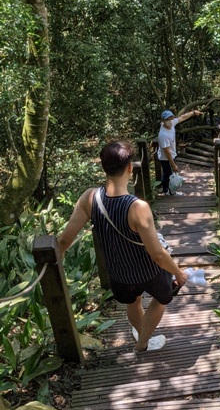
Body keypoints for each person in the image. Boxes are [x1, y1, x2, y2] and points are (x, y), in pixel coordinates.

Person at [58, 140, 188, 352]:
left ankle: (141, 333)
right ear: (130, 167)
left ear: (104, 168)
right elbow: (157, 254)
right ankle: (142, 343)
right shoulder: (138, 207)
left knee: (133, 302)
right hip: (149, 271)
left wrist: (59, 256)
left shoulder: (90, 198)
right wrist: (178, 272)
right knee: (162, 298)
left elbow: (64, 240)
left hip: (118, 272)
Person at [157, 108, 202, 195]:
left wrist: (193, 112)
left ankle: (165, 190)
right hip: (166, 158)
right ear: (163, 120)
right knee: (170, 175)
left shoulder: (171, 123)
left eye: (171, 118)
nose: (170, 121)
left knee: (167, 174)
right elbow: (166, 151)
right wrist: (173, 164)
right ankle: (170, 192)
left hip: (170, 155)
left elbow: (182, 117)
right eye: (167, 119)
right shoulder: (163, 135)